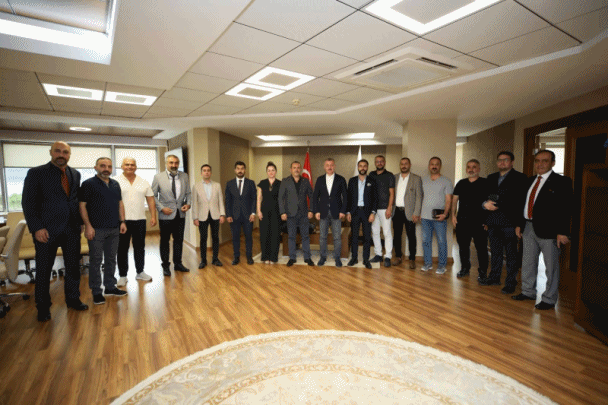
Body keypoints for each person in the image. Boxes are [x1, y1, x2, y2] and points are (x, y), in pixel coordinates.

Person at [22, 141, 88, 322]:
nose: (61, 155)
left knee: (73, 268)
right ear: (50, 152)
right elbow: (28, 203)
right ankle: (43, 307)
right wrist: (37, 227)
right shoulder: (36, 173)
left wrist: (80, 222)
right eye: (58, 151)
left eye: (65, 152)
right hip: (46, 231)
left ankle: (73, 299)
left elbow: (74, 200)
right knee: (44, 270)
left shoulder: (75, 173)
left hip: (71, 229)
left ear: (69, 154)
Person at [512, 150, 573, 310]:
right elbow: (522, 204)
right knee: (527, 263)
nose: (540, 164)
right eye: (537, 161)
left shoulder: (562, 181)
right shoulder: (530, 181)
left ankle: (549, 299)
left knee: (551, 267)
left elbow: (566, 208)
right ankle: (528, 291)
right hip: (528, 227)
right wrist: (519, 224)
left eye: (544, 161)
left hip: (550, 231)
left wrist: (563, 231)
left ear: (553, 163)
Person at [79, 157, 128, 305]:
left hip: (114, 228)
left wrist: (123, 221)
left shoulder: (115, 184)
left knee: (111, 259)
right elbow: (82, 206)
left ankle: (110, 287)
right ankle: (96, 291)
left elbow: (120, 203)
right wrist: (87, 225)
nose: (106, 169)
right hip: (96, 230)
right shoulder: (88, 184)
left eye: (109, 166)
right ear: (96, 167)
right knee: (96, 261)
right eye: (102, 166)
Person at [481, 151, 528, 293]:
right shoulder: (491, 177)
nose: (502, 162)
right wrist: (484, 205)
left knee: (511, 254)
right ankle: (494, 277)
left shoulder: (520, 178)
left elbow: (521, 202)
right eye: (500, 160)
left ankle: (511, 282)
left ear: (512, 162)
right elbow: (485, 197)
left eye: (506, 160)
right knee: (495, 252)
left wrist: (519, 224)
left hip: (510, 223)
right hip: (493, 222)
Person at [115, 157, 157, 286]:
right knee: (122, 249)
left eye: (132, 164)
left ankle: (140, 272)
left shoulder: (143, 181)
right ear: (122, 166)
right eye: (127, 164)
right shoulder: (115, 181)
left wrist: (153, 216)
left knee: (140, 247)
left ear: (136, 167)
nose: (130, 166)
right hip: (122, 221)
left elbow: (150, 199)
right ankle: (123, 275)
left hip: (140, 219)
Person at [151, 154, 191, 276]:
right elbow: (153, 195)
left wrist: (188, 204)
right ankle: (165, 266)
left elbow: (188, 193)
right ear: (166, 163)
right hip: (165, 215)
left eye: (176, 163)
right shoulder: (158, 177)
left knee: (178, 240)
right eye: (171, 162)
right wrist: (161, 208)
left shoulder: (184, 176)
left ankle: (178, 264)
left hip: (180, 214)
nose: (174, 165)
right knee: (165, 241)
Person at [451, 159, 489, 280]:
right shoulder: (461, 183)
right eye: (468, 167)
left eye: (474, 167)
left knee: (481, 249)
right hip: (462, 221)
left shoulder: (485, 183)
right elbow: (454, 200)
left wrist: (488, 221)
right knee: (463, 247)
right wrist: (453, 215)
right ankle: (465, 268)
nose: (471, 169)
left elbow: (490, 203)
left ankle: (482, 272)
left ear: (479, 169)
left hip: (480, 222)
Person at [312, 158, 347, 267]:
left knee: (337, 237)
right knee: (322, 237)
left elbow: (345, 197)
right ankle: (323, 257)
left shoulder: (341, 179)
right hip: (322, 212)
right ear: (324, 167)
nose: (329, 167)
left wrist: (343, 211)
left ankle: (337, 258)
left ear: (334, 166)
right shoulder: (320, 179)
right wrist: (316, 211)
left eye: (331, 165)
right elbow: (315, 197)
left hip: (337, 212)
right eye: (327, 165)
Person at [420, 157, 453, 274]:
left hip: (439, 217)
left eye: (436, 164)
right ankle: (427, 263)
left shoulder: (446, 181)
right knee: (426, 241)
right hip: (425, 217)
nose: (434, 166)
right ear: (429, 166)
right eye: (432, 164)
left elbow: (449, 200)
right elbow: (420, 197)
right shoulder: (423, 180)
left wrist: (445, 214)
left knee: (441, 241)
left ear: (440, 166)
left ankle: (442, 266)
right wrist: (419, 213)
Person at [278, 161, 314, 266]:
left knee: (305, 236)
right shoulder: (285, 181)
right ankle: (292, 258)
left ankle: (307, 257)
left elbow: (311, 196)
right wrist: (282, 212)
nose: (296, 169)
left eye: (298, 168)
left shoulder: (305, 181)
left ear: (300, 169)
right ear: (291, 169)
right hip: (290, 214)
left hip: (304, 214)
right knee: (291, 237)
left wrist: (311, 210)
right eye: (294, 168)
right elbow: (280, 198)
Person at [346, 159, 378, 269]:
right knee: (354, 236)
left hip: (367, 212)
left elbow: (375, 199)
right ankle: (354, 258)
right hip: (354, 212)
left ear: (367, 167)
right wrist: (348, 212)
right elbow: (348, 198)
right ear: (358, 167)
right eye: (360, 166)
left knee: (367, 237)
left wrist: (373, 213)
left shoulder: (372, 181)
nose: (362, 168)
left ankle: (366, 259)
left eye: (364, 166)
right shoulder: (352, 181)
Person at [192, 164, 225, 268]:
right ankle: (203, 260)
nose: (206, 172)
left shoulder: (217, 185)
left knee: (215, 237)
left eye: (208, 170)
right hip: (202, 216)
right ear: (201, 173)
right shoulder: (196, 186)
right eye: (204, 170)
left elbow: (220, 200)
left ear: (210, 173)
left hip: (215, 215)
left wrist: (222, 214)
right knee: (203, 238)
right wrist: (195, 217)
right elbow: (194, 203)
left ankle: (215, 259)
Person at [391, 157, 422, 269]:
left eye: (406, 164)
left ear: (410, 165)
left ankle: (412, 259)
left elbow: (419, 197)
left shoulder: (416, 178)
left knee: (411, 236)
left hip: (410, 212)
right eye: (402, 164)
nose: (404, 166)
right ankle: (398, 257)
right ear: (400, 165)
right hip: (396, 211)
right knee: (397, 236)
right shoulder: (394, 178)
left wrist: (416, 212)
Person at [225, 161, 256, 265]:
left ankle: (249, 257)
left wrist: (253, 213)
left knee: (248, 237)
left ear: (245, 170)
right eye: (238, 168)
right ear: (235, 170)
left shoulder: (251, 183)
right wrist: (228, 214)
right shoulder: (229, 184)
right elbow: (227, 201)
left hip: (248, 216)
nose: (240, 170)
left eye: (242, 168)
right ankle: (236, 257)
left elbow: (254, 199)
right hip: (234, 216)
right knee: (235, 237)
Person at [369, 155, 395, 267]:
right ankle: (378, 254)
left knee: (387, 232)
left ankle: (388, 256)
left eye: (381, 161)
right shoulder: (371, 175)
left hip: (385, 208)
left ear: (384, 163)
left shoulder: (389, 175)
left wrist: (389, 208)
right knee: (375, 232)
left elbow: (392, 193)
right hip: (373, 208)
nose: (379, 163)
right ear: (375, 163)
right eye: (377, 161)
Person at [256, 162, 282, 264]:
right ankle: (265, 256)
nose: (271, 172)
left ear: (276, 171)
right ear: (266, 172)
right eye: (269, 170)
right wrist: (258, 211)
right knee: (264, 234)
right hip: (264, 211)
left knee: (275, 234)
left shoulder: (280, 183)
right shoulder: (262, 183)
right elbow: (259, 198)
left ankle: (273, 257)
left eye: (273, 170)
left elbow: (283, 199)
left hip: (276, 211)